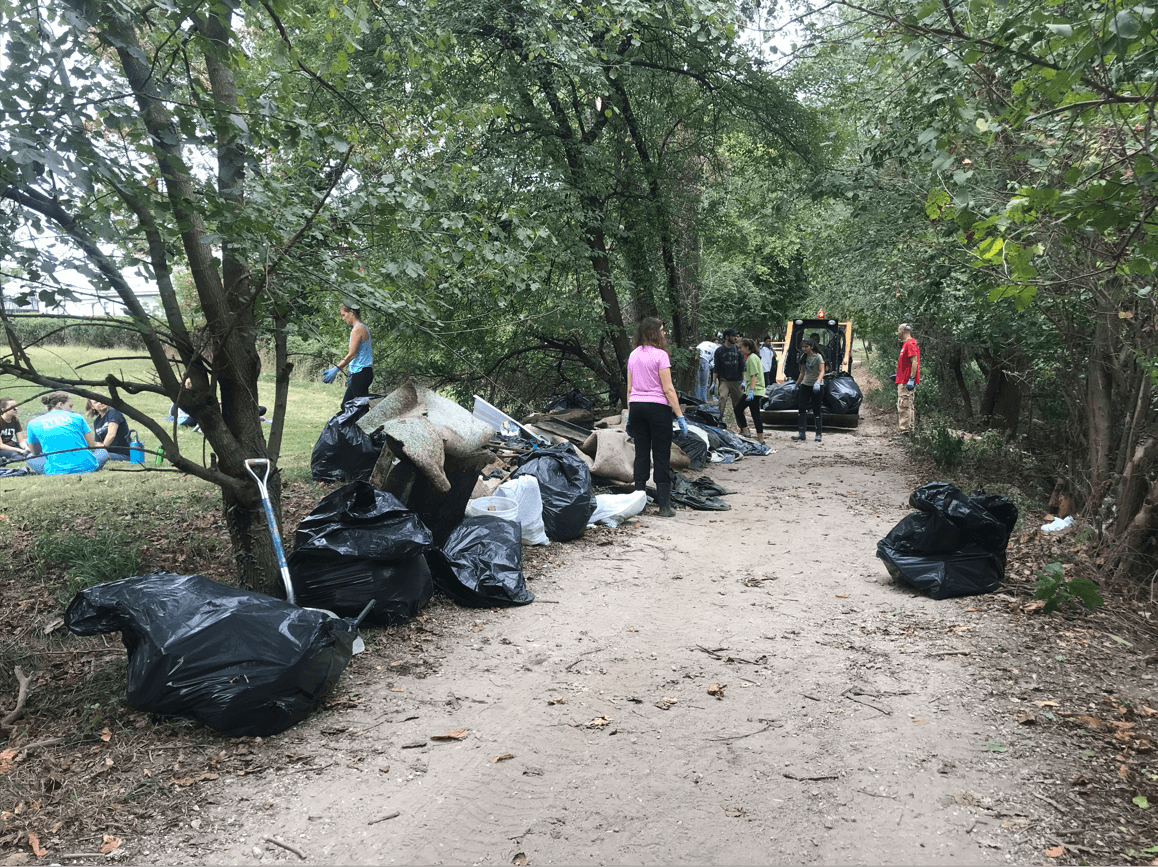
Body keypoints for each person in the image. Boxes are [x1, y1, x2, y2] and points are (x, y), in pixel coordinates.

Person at [626, 317, 687, 518]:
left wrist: (629, 415)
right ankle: (664, 506)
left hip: (636, 407)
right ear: (654, 333)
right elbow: (668, 389)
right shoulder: (661, 356)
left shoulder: (633, 355)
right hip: (657, 408)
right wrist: (680, 416)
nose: (664, 334)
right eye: (662, 330)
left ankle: (640, 503)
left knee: (641, 454)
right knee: (661, 454)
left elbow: (629, 388)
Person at [26, 392, 108, 475]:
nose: (72, 410)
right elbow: (92, 447)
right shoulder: (77, 417)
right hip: (87, 467)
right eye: (70, 406)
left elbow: (35, 452)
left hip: (56, 471)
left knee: (30, 457)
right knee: (102, 451)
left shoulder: (33, 423)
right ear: (60, 405)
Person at [323, 303, 373, 405]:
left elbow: (351, 355)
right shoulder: (363, 326)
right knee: (347, 405)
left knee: (358, 409)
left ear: (351, 312)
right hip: (361, 372)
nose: (343, 318)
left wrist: (336, 369)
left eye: (343, 315)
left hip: (361, 373)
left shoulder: (358, 329)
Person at [792, 337, 826, 443]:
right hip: (805, 385)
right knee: (802, 408)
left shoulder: (818, 357)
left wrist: (818, 382)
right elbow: (802, 372)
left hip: (816, 386)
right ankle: (802, 433)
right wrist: (796, 384)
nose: (804, 349)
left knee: (816, 409)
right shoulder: (803, 357)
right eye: (802, 347)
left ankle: (818, 433)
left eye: (806, 347)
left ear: (811, 347)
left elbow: (822, 371)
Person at [713, 329, 745, 431]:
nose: (736, 338)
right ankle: (718, 424)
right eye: (733, 336)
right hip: (724, 380)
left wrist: (744, 380)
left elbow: (743, 366)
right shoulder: (719, 351)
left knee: (739, 404)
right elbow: (716, 367)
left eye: (736, 336)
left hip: (737, 381)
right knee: (722, 398)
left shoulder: (738, 349)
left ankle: (743, 427)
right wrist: (713, 382)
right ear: (727, 337)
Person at [738, 338, 766, 443]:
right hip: (752, 390)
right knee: (754, 414)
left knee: (740, 410)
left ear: (747, 347)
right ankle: (757, 437)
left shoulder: (752, 358)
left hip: (754, 391)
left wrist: (751, 391)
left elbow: (754, 375)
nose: (739, 350)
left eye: (740, 348)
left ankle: (751, 434)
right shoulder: (749, 357)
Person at [894, 323, 920, 437]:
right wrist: (898, 374)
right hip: (903, 378)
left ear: (902, 331)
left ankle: (905, 432)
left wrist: (911, 378)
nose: (898, 333)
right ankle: (909, 431)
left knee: (904, 405)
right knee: (907, 405)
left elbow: (914, 362)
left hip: (906, 381)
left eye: (898, 331)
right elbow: (907, 364)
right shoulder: (906, 344)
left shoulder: (910, 344)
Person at [694, 336, 718, 403]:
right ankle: (702, 401)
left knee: (695, 381)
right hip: (704, 359)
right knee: (703, 383)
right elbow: (715, 361)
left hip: (695, 357)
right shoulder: (717, 349)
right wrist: (709, 366)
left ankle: (695, 398)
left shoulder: (705, 343)